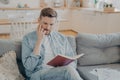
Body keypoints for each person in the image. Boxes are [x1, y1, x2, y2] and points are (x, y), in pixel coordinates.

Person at [22, 7, 83, 80]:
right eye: (45, 23)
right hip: (38, 74)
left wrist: (62, 68)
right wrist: (39, 41)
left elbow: (72, 61)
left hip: (59, 73)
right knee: (68, 70)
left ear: (55, 23)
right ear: (39, 20)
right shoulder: (27, 38)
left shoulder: (61, 38)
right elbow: (29, 67)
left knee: (69, 69)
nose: (48, 27)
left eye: (51, 24)